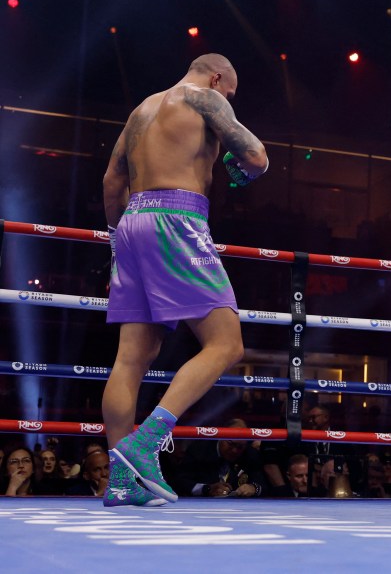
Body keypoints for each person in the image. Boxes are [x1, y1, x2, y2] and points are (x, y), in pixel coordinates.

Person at [100, 53, 269, 508]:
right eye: (229, 92)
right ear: (217, 78)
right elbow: (257, 156)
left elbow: (111, 181)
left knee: (133, 356)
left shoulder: (143, 109)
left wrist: (119, 239)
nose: (227, 99)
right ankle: (146, 440)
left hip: (131, 224)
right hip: (177, 219)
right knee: (226, 344)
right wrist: (240, 172)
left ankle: (120, 481)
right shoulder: (204, 98)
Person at [174, 419, 265, 498]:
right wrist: (207, 489)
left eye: (240, 446)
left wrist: (254, 488)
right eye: (231, 444)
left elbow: (262, 483)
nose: (234, 450)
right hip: (201, 504)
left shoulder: (250, 454)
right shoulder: (199, 450)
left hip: (238, 507)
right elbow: (180, 482)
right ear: (221, 437)